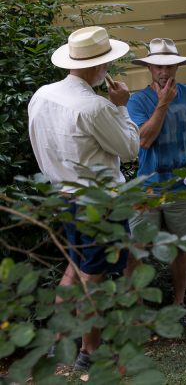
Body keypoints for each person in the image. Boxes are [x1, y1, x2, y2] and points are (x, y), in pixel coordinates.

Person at [27, 26, 140, 371]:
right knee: (93, 279)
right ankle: (87, 354)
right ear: (100, 66)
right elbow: (130, 149)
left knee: (76, 270)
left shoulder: (42, 95)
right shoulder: (94, 107)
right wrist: (121, 108)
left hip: (64, 195)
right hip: (98, 204)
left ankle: (58, 343)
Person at [127, 38, 186, 321]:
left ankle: (178, 304)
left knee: (182, 247)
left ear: (177, 67)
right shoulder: (138, 100)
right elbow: (144, 140)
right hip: (147, 186)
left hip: (184, 184)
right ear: (149, 68)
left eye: (169, 66)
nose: (163, 72)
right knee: (137, 248)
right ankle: (136, 308)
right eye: (157, 66)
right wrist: (163, 105)